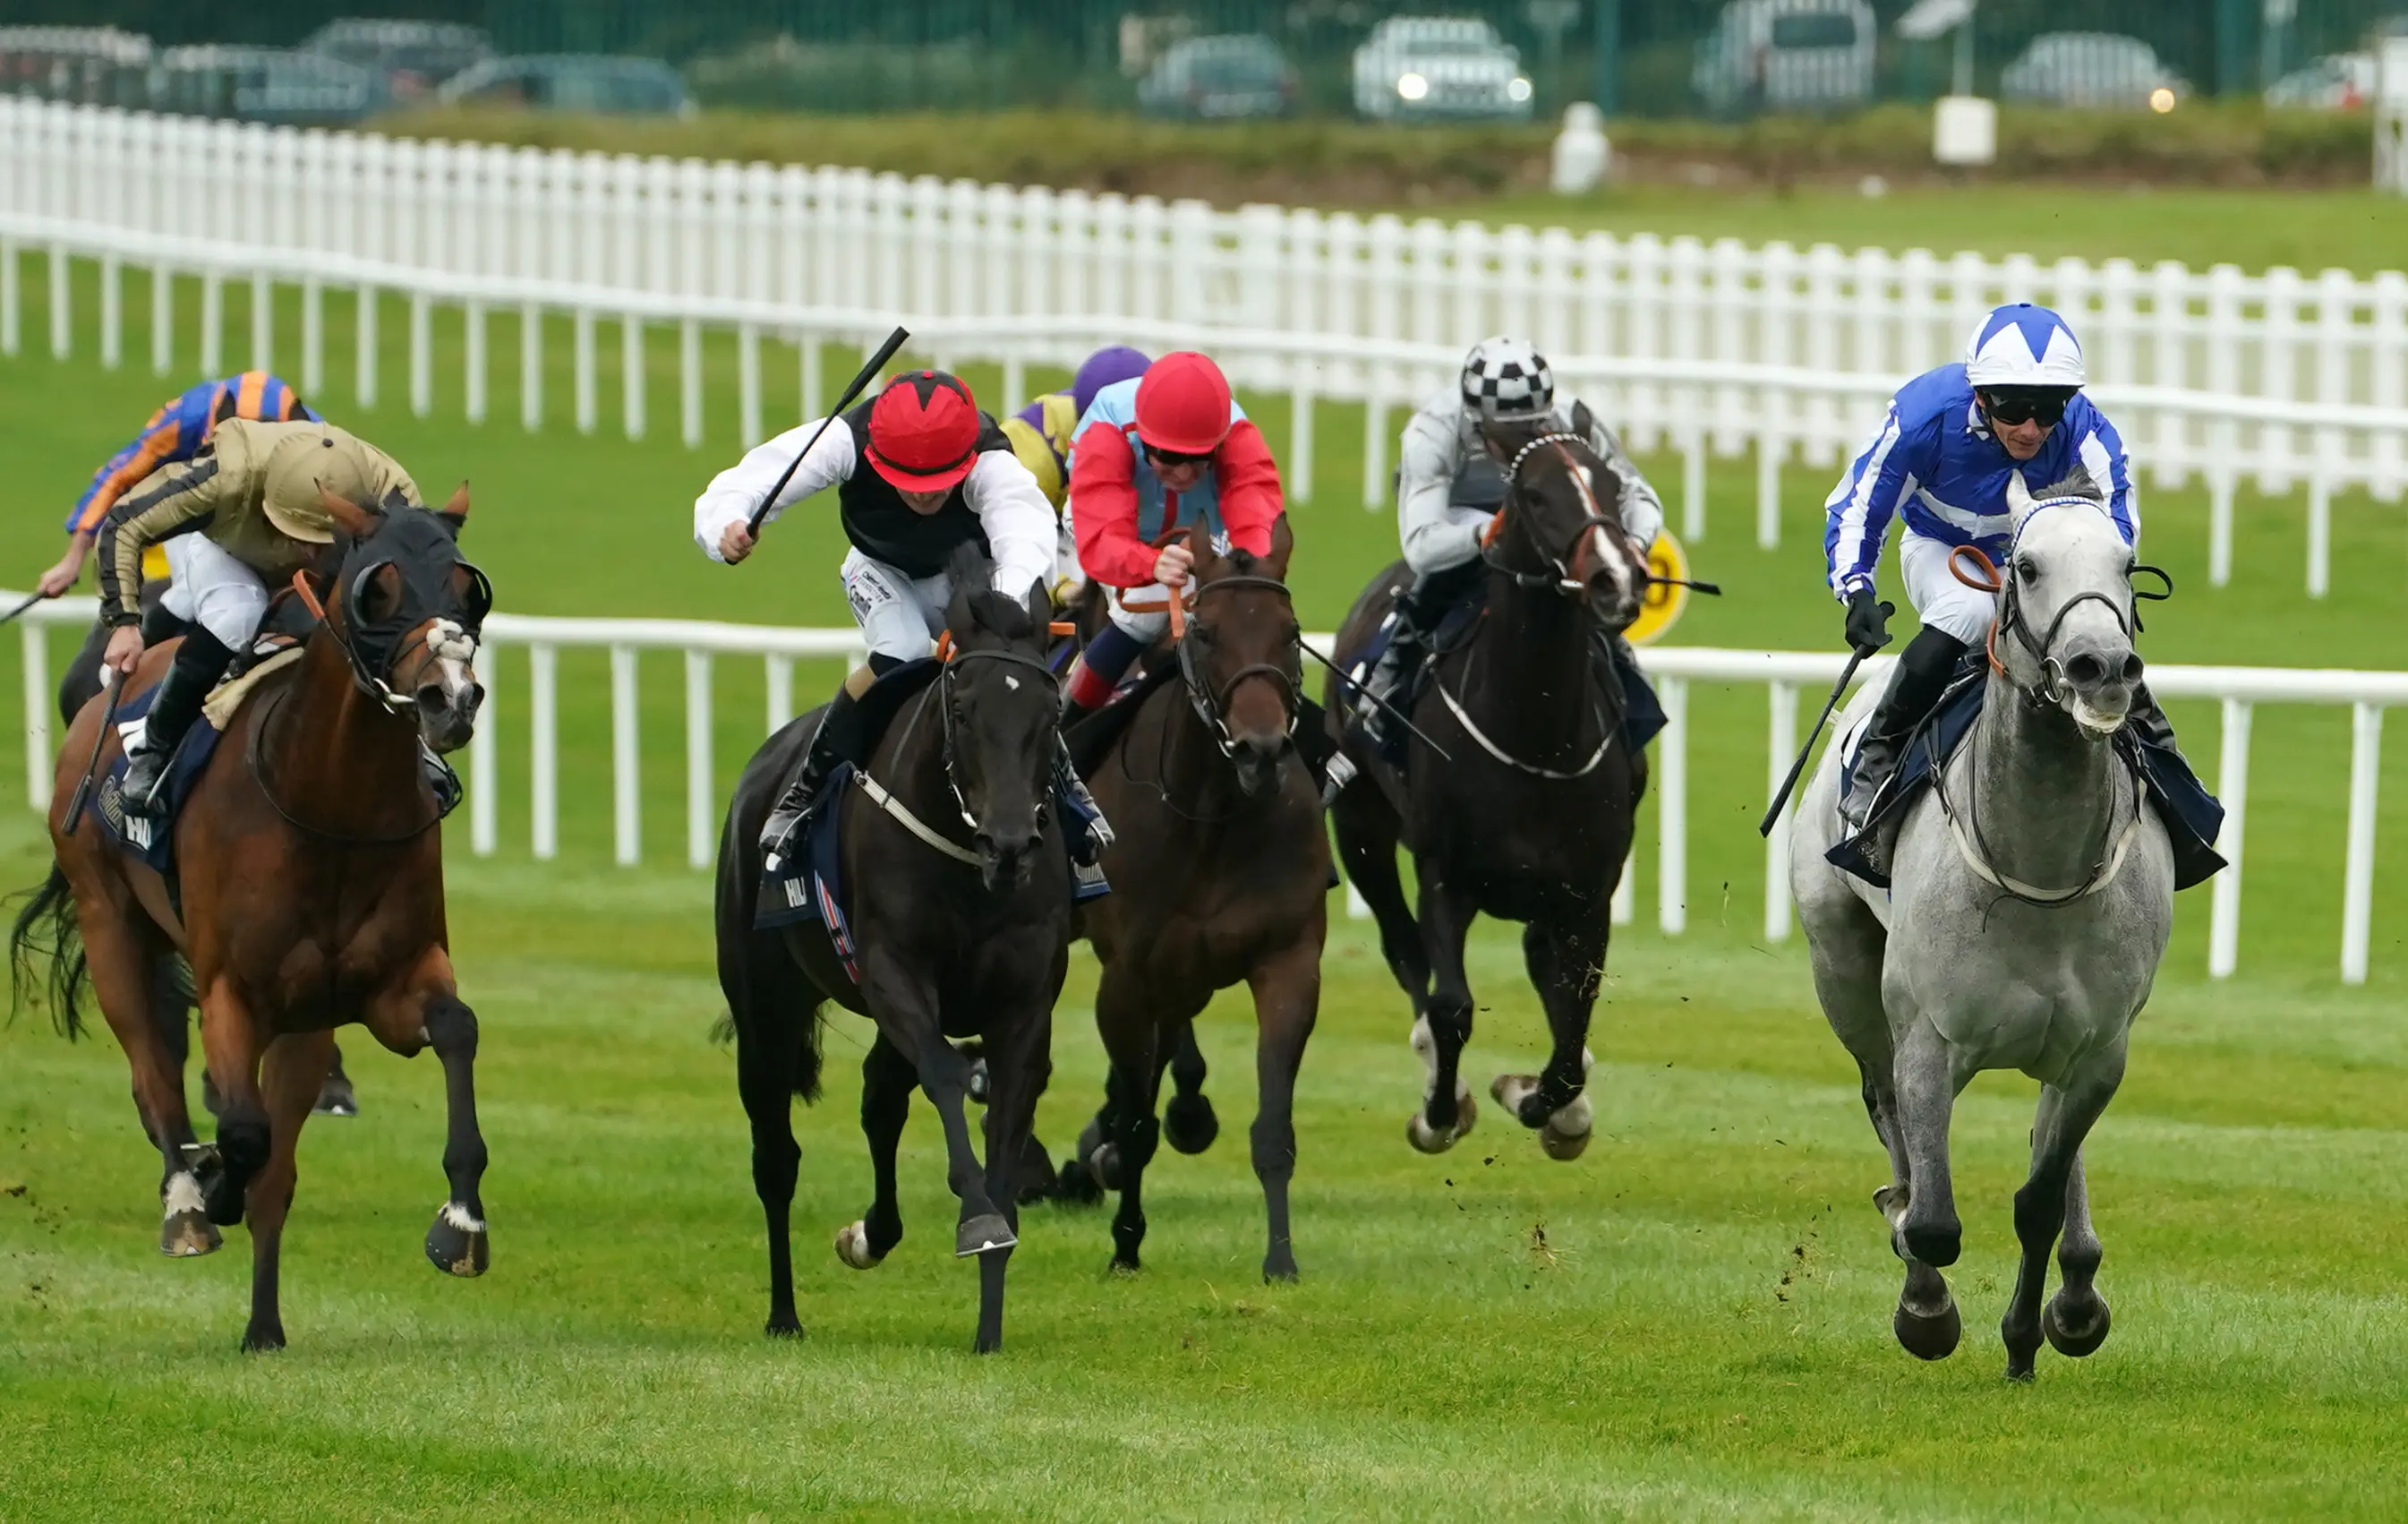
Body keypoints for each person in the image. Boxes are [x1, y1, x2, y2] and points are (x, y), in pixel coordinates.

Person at [694, 369, 1099, 861]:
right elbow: (755, 479)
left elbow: (1024, 531)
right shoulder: (844, 440)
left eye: (938, 483)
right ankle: (804, 792)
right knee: (901, 650)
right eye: (909, 482)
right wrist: (726, 526)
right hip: (882, 572)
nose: (924, 495)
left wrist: (1004, 605)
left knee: (1006, 673)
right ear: (877, 457)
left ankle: (1070, 792)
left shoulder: (991, 459)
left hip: (967, 575)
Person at [1824, 301, 2148, 825]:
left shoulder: (2085, 428)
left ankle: (2170, 775)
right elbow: (1860, 506)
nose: (2031, 429)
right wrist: (1856, 589)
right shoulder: (1924, 416)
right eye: (2013, 409)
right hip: (1941, 550)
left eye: (2049, 410)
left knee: (2097, 634)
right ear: (1980, 395)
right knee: (1972, 612)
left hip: (2044, 561)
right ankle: (1880, 753)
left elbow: (2119, 525)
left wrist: (2097, 587)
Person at [1357, 336, 1667, 756]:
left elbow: (1637, 494)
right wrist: (1491, 532)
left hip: (1546, 521)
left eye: (1534, 428)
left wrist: (1633, 545)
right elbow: (1421, 545)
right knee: (1428, 593)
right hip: (1462, 520)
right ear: (1477, 420)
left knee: (1591, 605)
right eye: (1509, 434)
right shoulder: (1433, 429)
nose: (1523, 442)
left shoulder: (1571, 417)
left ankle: (1628, 697)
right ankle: (1385, 685)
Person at [99, 417, 425, 814]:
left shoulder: (392, 492)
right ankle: (154, 748)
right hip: (232, 550)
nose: (309, 552)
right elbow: (123, 523)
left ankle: (416, 752)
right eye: (302, 536)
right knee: (238, 617)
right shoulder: (226, 474)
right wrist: (124, 623)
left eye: (321, 541)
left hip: (345, 558)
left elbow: (424, 577)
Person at [47, 372, 320, 724]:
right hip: (195, 508)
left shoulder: (316, 436)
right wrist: (72, 559)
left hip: (275, 516)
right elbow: (119, 475)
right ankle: (135, 680)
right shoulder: (187, 415)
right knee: (197, 591)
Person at [1055, 351, 1284, 720]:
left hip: (1201, 529)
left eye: (1200, 458)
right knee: (1143, 616)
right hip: (1112, 527)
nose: (1184, 475)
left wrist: (1246, 571)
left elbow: (1258, 523)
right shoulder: (1107, 430)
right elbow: (1102, 541)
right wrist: (1151, 563)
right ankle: (1067, 730)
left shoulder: (1237, 433)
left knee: (1250, 611)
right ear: (1142, 440)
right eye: (1168, 458)